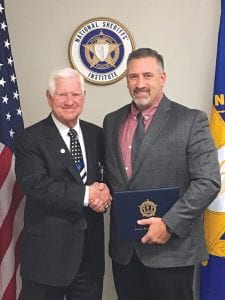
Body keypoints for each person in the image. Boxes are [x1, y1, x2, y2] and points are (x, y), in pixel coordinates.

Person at [103, 48, 221, 300]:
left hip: (172, 251)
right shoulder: (111, 122)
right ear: (127, 81)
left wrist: (168, 224)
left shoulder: (190, 120)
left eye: (147, 75)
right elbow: (114, 178)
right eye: (133, 77)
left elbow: (208, 181)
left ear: (162, 78)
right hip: (125, 253)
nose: (140, 84)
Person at [15, 67, 112, 300]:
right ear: (49, 98)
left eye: (76, 94)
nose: (70, 101)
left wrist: (105, 194)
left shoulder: (97, 134)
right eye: (62, 95)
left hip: (89, 259)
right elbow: (37, 186)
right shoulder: (30, 139)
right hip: (47, 261)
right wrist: (89, 195)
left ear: (84, 97)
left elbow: (106, 177)